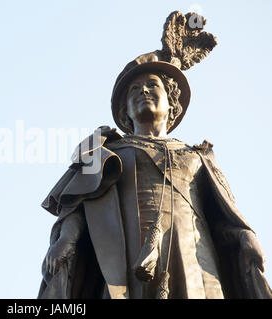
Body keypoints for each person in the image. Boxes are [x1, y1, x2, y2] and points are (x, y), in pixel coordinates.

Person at [37, 12, 272, 299]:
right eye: (134, 90)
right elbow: (76, 206)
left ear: (171, 101)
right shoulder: (101, 150)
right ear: (125, 110)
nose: (143, 92)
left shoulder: (198, 156)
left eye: (152, 86)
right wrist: (66, 241)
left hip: (193, 258)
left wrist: (245, 236)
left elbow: (224, 217)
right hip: (125, 259)